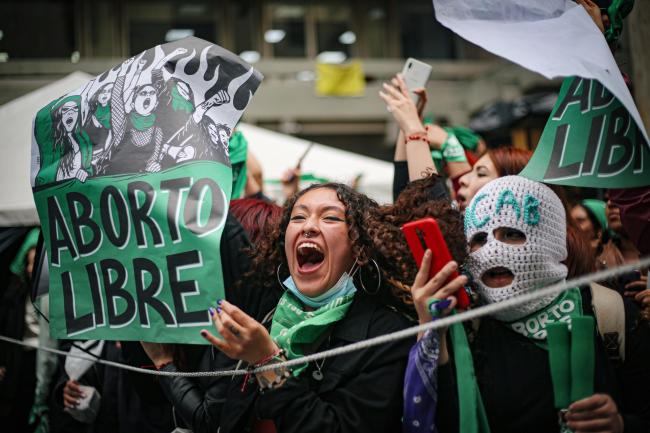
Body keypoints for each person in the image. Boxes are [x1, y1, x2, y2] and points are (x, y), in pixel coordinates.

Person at [147, 183, 427, 433]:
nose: (308, 226)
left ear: (360, 245)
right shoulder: (267, 316)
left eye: (330, 217)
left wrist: (268, 362)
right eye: (298, 217)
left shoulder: (388, 335)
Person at [405, 175, 650, 433]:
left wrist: (621, 425)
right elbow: (440, 419)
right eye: (479, 239)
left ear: (550, 240)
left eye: (512, 233)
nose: (493, 251)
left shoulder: (609, 314)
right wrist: (429, 328)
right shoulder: (465, 327)